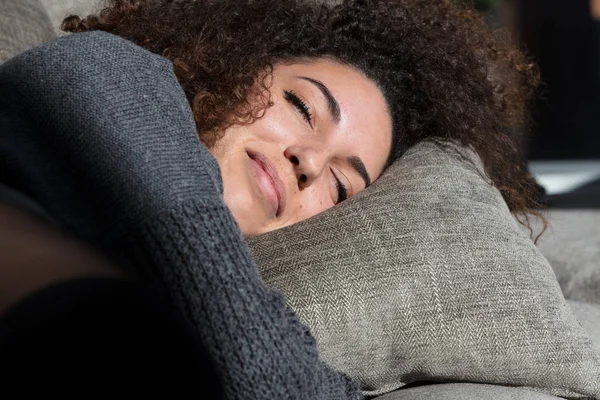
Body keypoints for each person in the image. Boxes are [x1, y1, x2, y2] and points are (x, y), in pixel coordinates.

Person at [0, 0, 541, 397]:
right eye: (301, 107)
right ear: (230, 61)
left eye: (340, 185)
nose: (308, 162)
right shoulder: (107, 72)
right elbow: (259, 370)